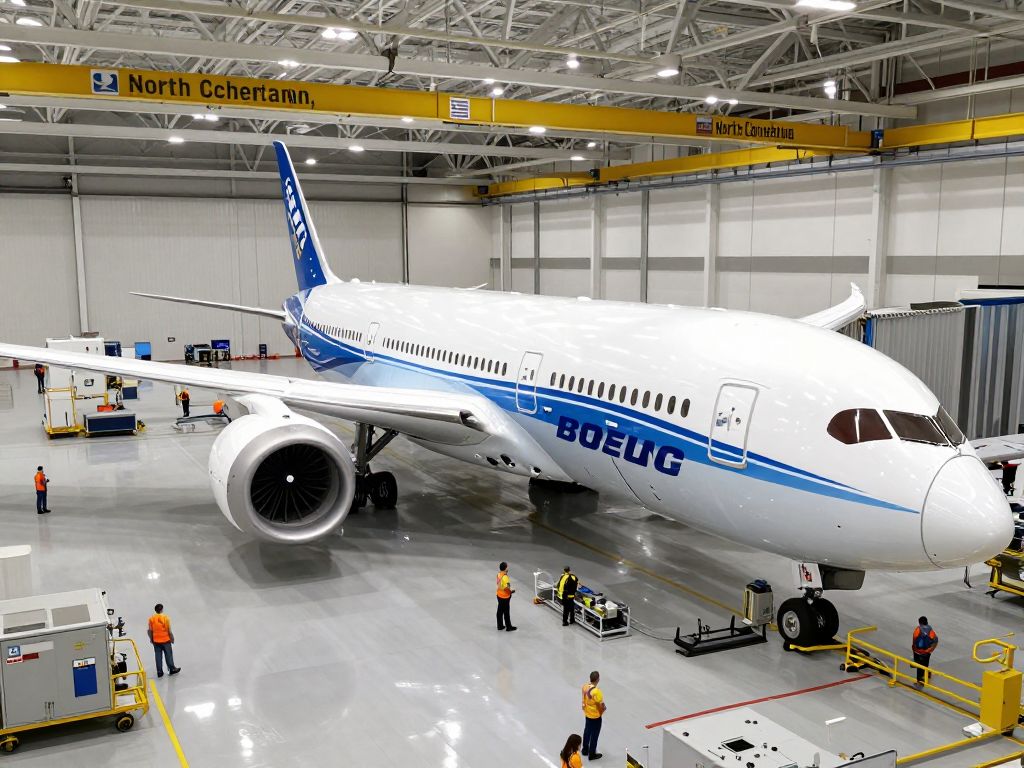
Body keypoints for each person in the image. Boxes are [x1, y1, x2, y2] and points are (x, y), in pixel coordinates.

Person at [148, 603, 181, 678]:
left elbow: (150, 630)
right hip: (165, 640)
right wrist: (172, 638)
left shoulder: (151, 619)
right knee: (168, 655)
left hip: (156, 640)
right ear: (162, 609)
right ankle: (172, 669)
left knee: (158, 656)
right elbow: (169, 630)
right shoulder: (165, 618)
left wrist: (151, 639)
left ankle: (159, 672)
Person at [581, 670, 606, 760]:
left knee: (587, 731)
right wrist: (603, 709)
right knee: (595, 735)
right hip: (595, 716)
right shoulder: (596, 691)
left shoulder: (584, 687)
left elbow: (583, 698)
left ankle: (585, 750)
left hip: (587, 714)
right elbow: (601, 704)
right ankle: (592, 754)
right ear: (598, 679)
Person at [912, 616, 938, 686]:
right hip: (927, 652)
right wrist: (930, 650)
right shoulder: (931, 630)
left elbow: (914, 639)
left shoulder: (918, 630)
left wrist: (914, 648)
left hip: (918, 651)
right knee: (925, 664)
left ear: (920, 622)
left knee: (919, 666)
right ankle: (926, 673)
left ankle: (919, 681)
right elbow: (935, 641)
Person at [496, 561, 516, 632]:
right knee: (506, 612)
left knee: (500, 611)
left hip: (499, 595)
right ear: (505, 568)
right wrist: (511, 592)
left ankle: (500, 625)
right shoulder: (505, 577)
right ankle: (508, 627)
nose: (508, 567)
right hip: (505, 597)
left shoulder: (499, 574)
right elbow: (506, 588)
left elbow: (499, 584)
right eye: (507, 566)